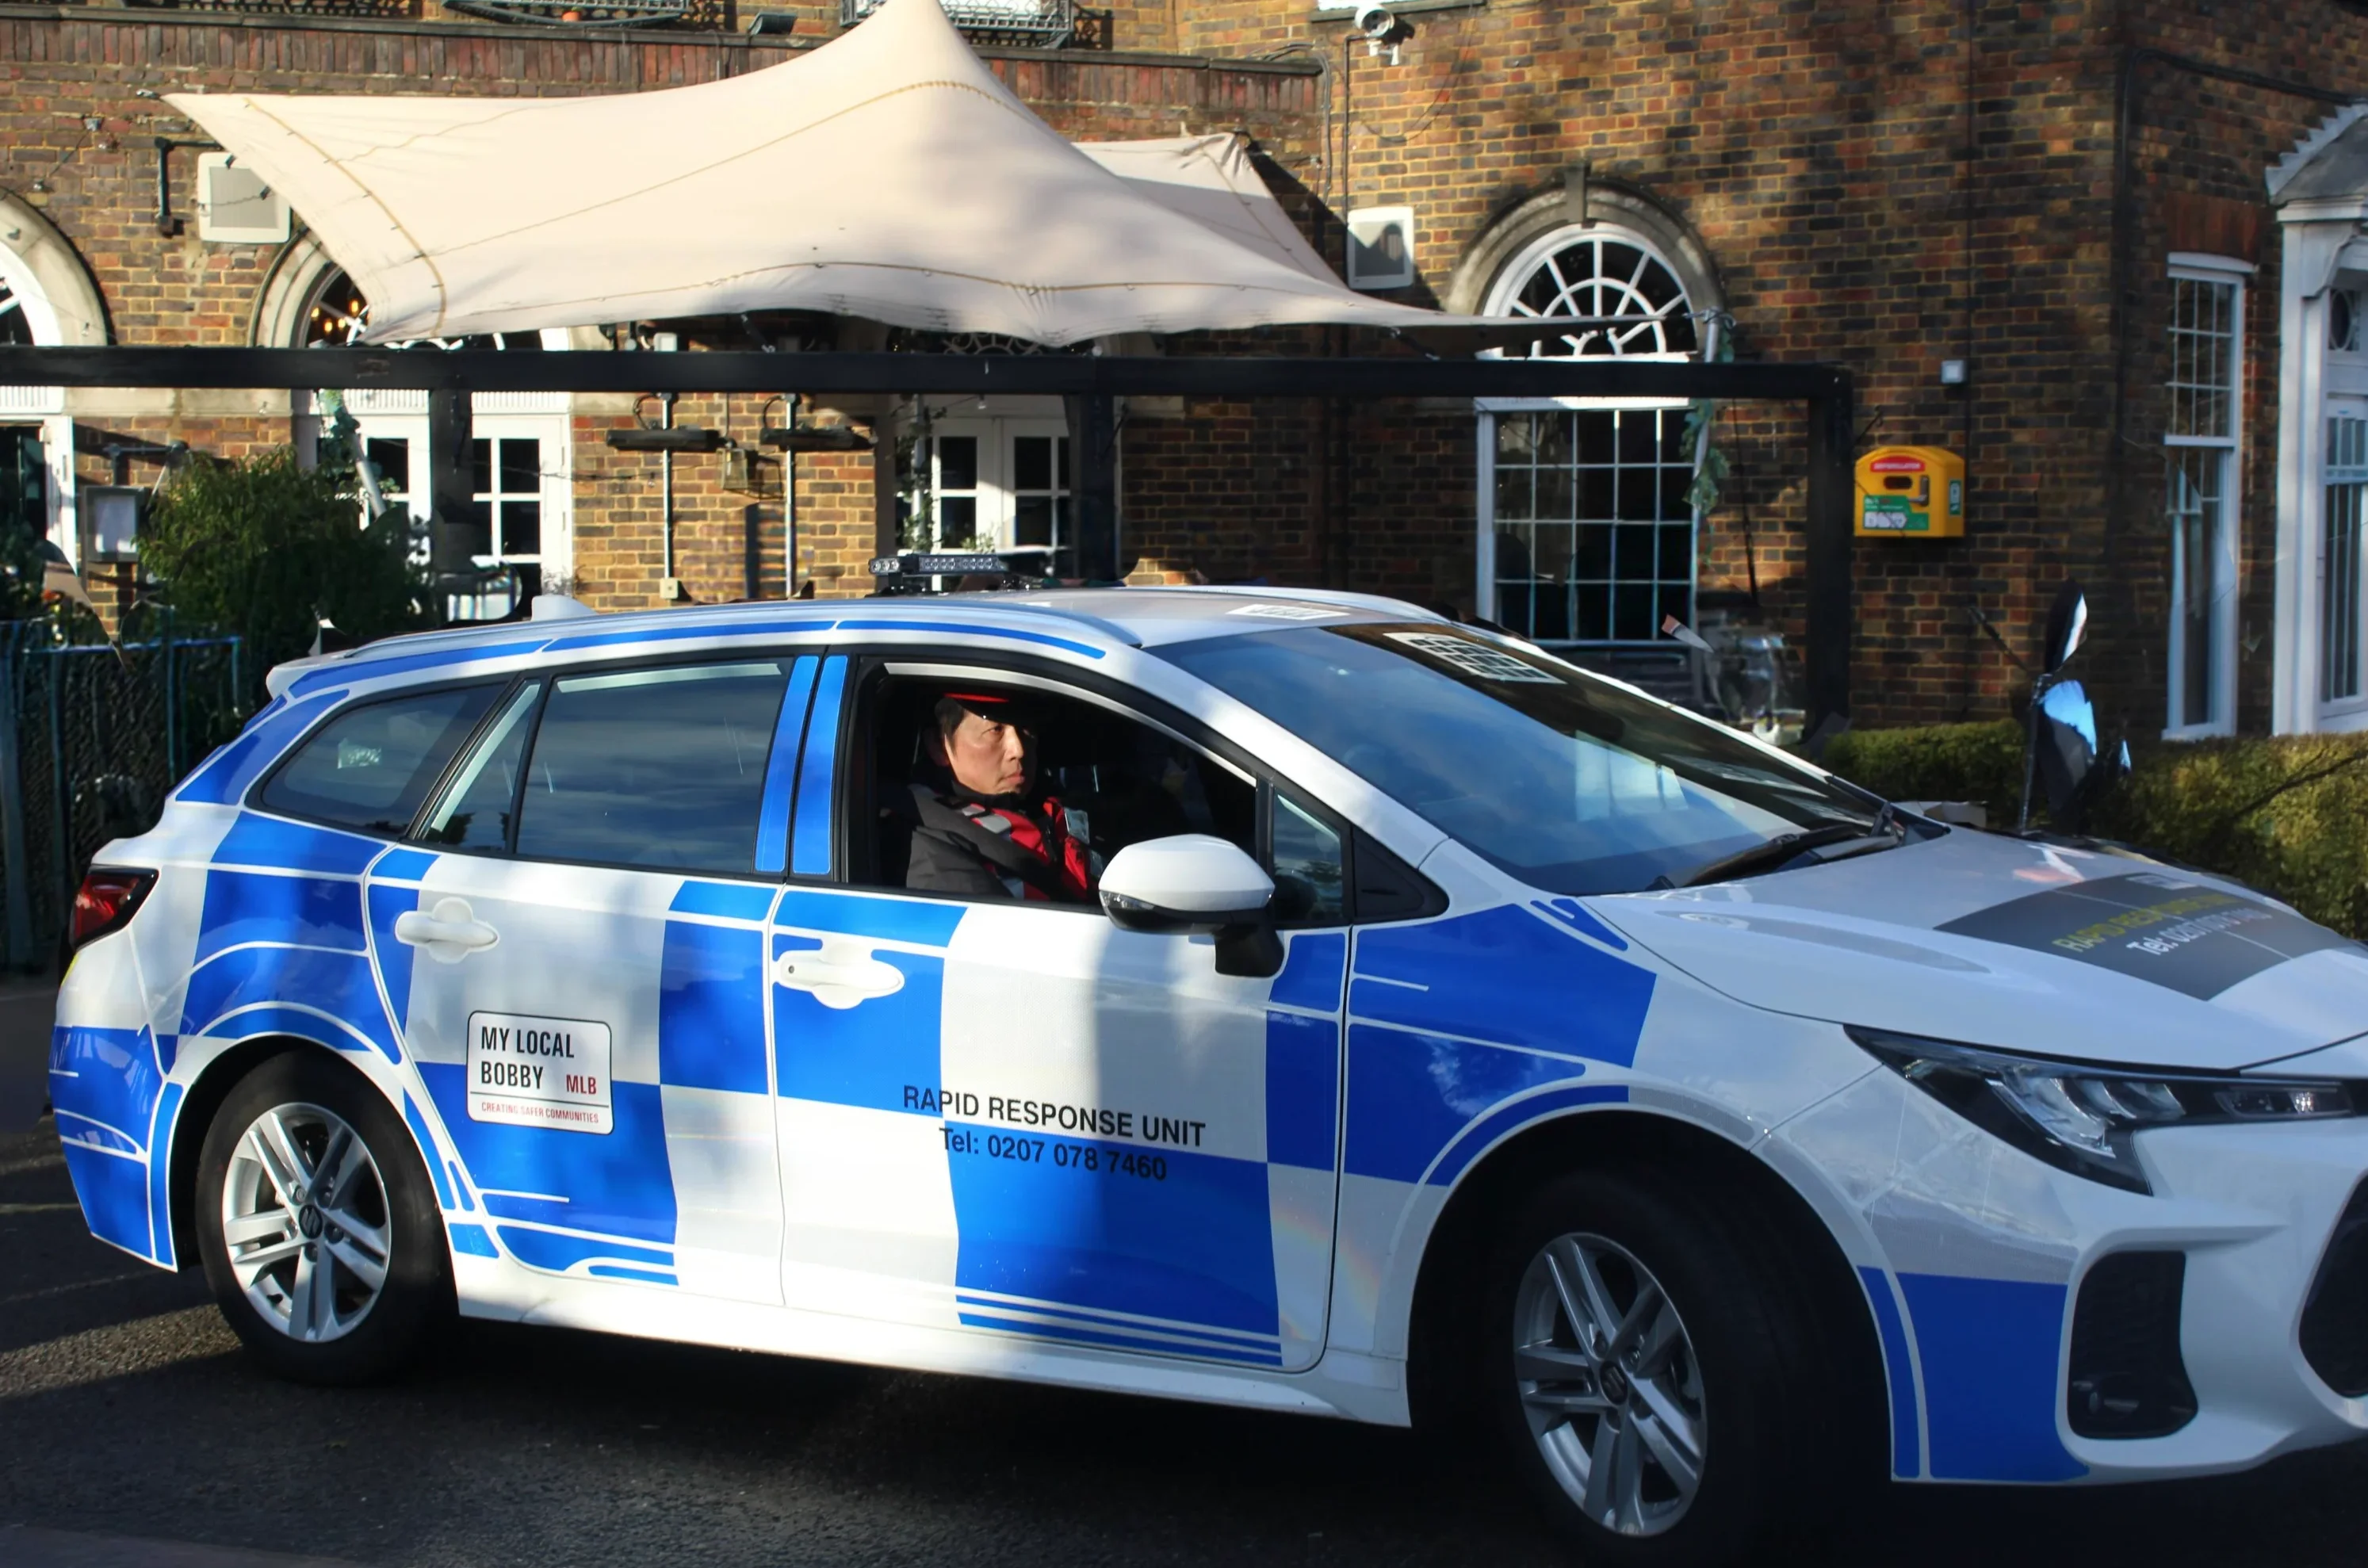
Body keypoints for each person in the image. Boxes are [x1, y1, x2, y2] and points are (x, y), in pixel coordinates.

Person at [898, 691, 1096, 902]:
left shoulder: (1048, 803)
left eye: (1025, 728)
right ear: (939, 746)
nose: (1018, 750)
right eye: (995, 730)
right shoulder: (928, 846)